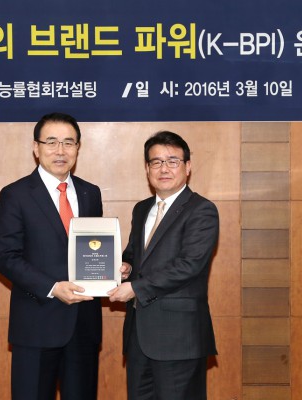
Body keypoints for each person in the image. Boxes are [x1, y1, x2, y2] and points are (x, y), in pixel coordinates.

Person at [0, 112, 103, 400]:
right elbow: (7, 257)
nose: (60, 150)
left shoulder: (91, 193)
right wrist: (53, 287)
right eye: (51, 142)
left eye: (69, 142)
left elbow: (94, 249)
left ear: (78, 148)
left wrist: (112, 270)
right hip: (36, 325)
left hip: (83, 326)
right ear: (36, 147)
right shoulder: (15, 194)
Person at [108, 130, 219, 400]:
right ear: (147, 169)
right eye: (156, 162)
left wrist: (135, 288)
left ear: (187, 167)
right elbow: (135, 254)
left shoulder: (201, 210)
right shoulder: (141, 209)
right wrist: (126, 266)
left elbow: (189, 265)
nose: (164, 169)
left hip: (179, 338)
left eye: (172, 161)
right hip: (139, 337)